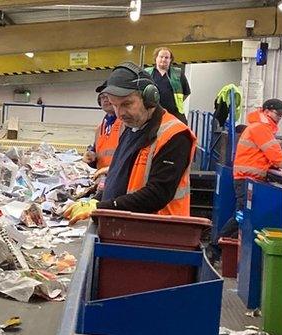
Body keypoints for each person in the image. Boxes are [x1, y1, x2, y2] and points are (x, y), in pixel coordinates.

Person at [64, 62, 197, 224]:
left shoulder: (175, 135)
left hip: (159, 235)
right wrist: (94, 200)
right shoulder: (131, 128)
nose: (120, 114)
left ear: (150, 98)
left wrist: (101, 207)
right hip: (129, 231)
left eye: (127, 104)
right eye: (115, 105)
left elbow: (157, 194)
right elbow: (119, 177)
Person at [219, 98, 282, 238]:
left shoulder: (258, 127)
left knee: (242, 214)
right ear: (266, 111)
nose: (279, 117)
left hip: (247, 179)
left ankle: (225, 246)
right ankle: (218, 245)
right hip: (247, 179)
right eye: (277, 113)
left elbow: (263, 155)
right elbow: (276, 156)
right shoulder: (261, 128)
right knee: (241, 215)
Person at [83, 82, 122, 174]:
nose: (105, 100)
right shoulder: (100, 128)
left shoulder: (127, 124)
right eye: (103, 97)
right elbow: (98, 153)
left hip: (119, 177)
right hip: (103, 178)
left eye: (109, 96)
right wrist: (91, 156)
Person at [144, 47, 191, 123]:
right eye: (161, 57)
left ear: (170, 60)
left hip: (174, 115)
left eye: (166, 57)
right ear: (156, 58)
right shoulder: (146, 73)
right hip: (151, 115)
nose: (163, 59)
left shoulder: (178, 74)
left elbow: (186, 92)